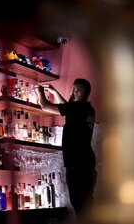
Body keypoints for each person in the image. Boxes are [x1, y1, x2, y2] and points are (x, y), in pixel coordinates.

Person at [35, 78, 97, 221]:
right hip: (87, 161)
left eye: (71, 89)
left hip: (76, 163)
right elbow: (68, 108)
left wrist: (39, 92)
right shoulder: (87, 109)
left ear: (76, 91)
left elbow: (45, 106)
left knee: (79, 203)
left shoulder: (75, 108)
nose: (69, 91)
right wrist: (54, 91)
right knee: (88, 201)